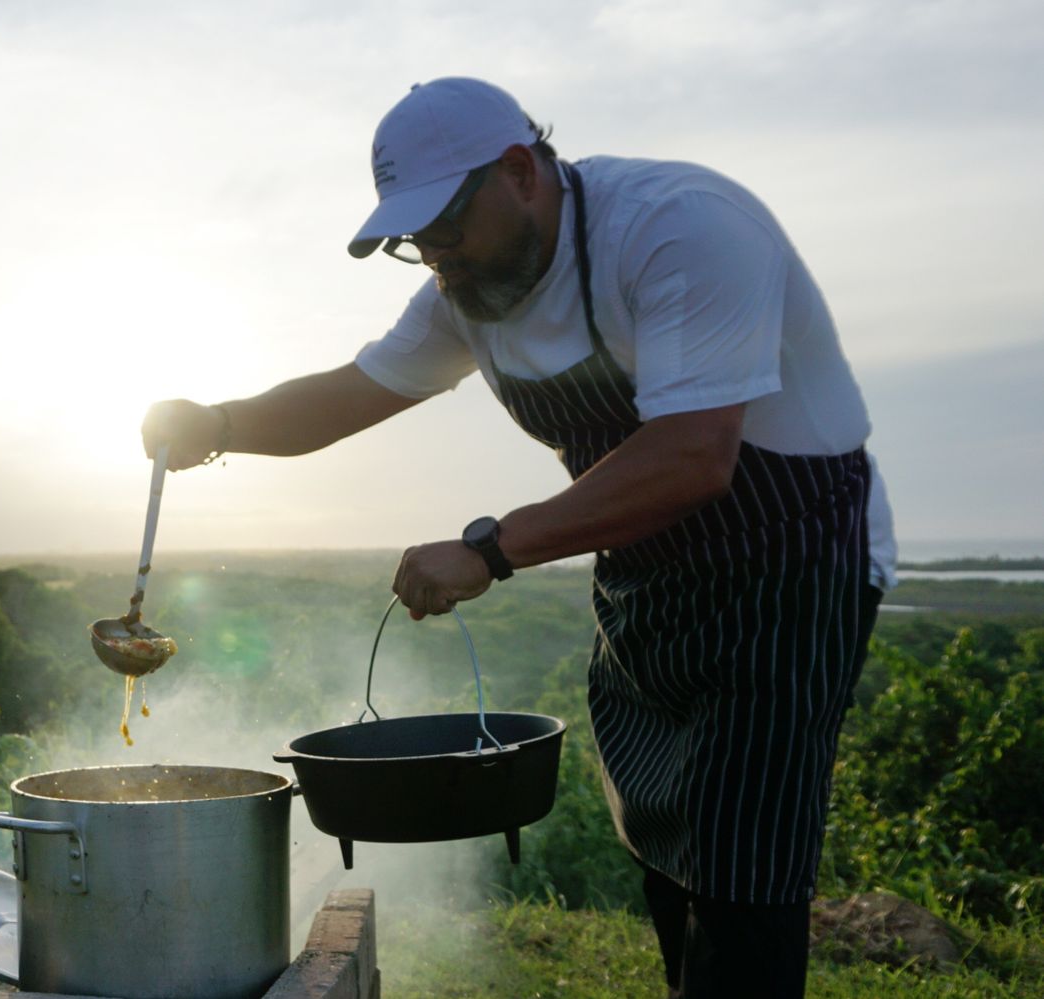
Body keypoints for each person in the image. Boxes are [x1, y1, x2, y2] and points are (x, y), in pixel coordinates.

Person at [142, 77, 895, 999]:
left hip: (789, 562)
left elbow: (696, 454)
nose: (436, 258)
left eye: (447, 229)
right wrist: (216, 424)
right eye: (413, 243)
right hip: (645, 570)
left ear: (518, 171)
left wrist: (491, 548)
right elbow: (352, 392)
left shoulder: (679, 227)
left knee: (745, 871)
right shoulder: (470, 290)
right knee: (668, 845)